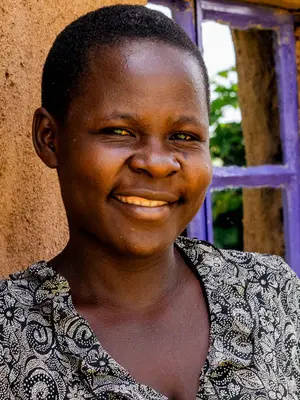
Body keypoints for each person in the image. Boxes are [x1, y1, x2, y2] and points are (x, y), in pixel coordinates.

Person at [0, 4, 299, 400]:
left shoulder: (273, 295)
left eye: (185, 137)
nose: (158, 164)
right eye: (119, 130)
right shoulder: (9, 339)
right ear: (49, 138)